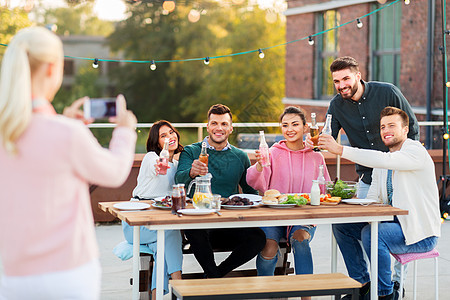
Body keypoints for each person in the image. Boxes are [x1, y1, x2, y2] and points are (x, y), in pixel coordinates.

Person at [0, 27, 137, 300]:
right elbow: (114, 172)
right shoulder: (67, 134)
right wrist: (124, 130)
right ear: (52, 69)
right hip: (67, 274)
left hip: (12, 275)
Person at [306, 56, 420, 299]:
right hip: (369, 180)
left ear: (358, 76)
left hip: (399, 176)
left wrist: (403, 162)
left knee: (397, 229)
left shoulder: (387, 92)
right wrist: (314, 143)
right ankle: (363, 286)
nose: (341, 85)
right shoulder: (337, 105)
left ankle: (394, 287)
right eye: (336, 81)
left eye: (346, 78)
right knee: (344, 226)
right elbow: (328, 137)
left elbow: (413, 128)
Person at [318, 107, 441, 299]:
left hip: (420, 233)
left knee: (374, 234)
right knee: (342, 226)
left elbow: (387, 160)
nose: (386, 130)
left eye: (392, 125)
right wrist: (347, 202)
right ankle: (363, 285)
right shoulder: (383, 163)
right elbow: (372, 200)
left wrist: (340, 149)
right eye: (383, 126)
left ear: (405, 129)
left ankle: (384, 293)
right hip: (392, 225)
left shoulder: (415, 151)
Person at [175, 104, 266, 278]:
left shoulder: (240, 156)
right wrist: (192, 172)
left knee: (258, 238)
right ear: (208, 126)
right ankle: (214, 276)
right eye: (214, 123)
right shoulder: (191, 151)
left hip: (228, 223)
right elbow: (178, 179)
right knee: (194, 229)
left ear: (230, 128)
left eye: (224, 124)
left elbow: (250, 191)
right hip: (200, 225)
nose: (219, 128)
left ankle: (215, 275)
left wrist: (261, 172)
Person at [247, 107, 331, 285]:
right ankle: (265, 293)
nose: (290, 129)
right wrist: (260, 166)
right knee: (268, 246)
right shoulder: (273, 153)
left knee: (300, 240)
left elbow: (324, 191)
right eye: (285, 125)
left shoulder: (316, 157)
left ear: (305, 127)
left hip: (303, 216)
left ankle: (305, 294)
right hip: (274, 216)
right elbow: (254, 181)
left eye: (295, 124)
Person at [119, 120, 184, 298]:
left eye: (171, 132)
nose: (170, 137)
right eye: (163, 136)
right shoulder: (151, 158)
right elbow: (158, 167)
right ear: (157, 143)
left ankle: (155, 296)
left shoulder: (178, 167)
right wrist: (160, 163)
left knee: (162, 248)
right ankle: (179, 285)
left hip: (159, 223)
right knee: (171, 232)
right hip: (137, 224)